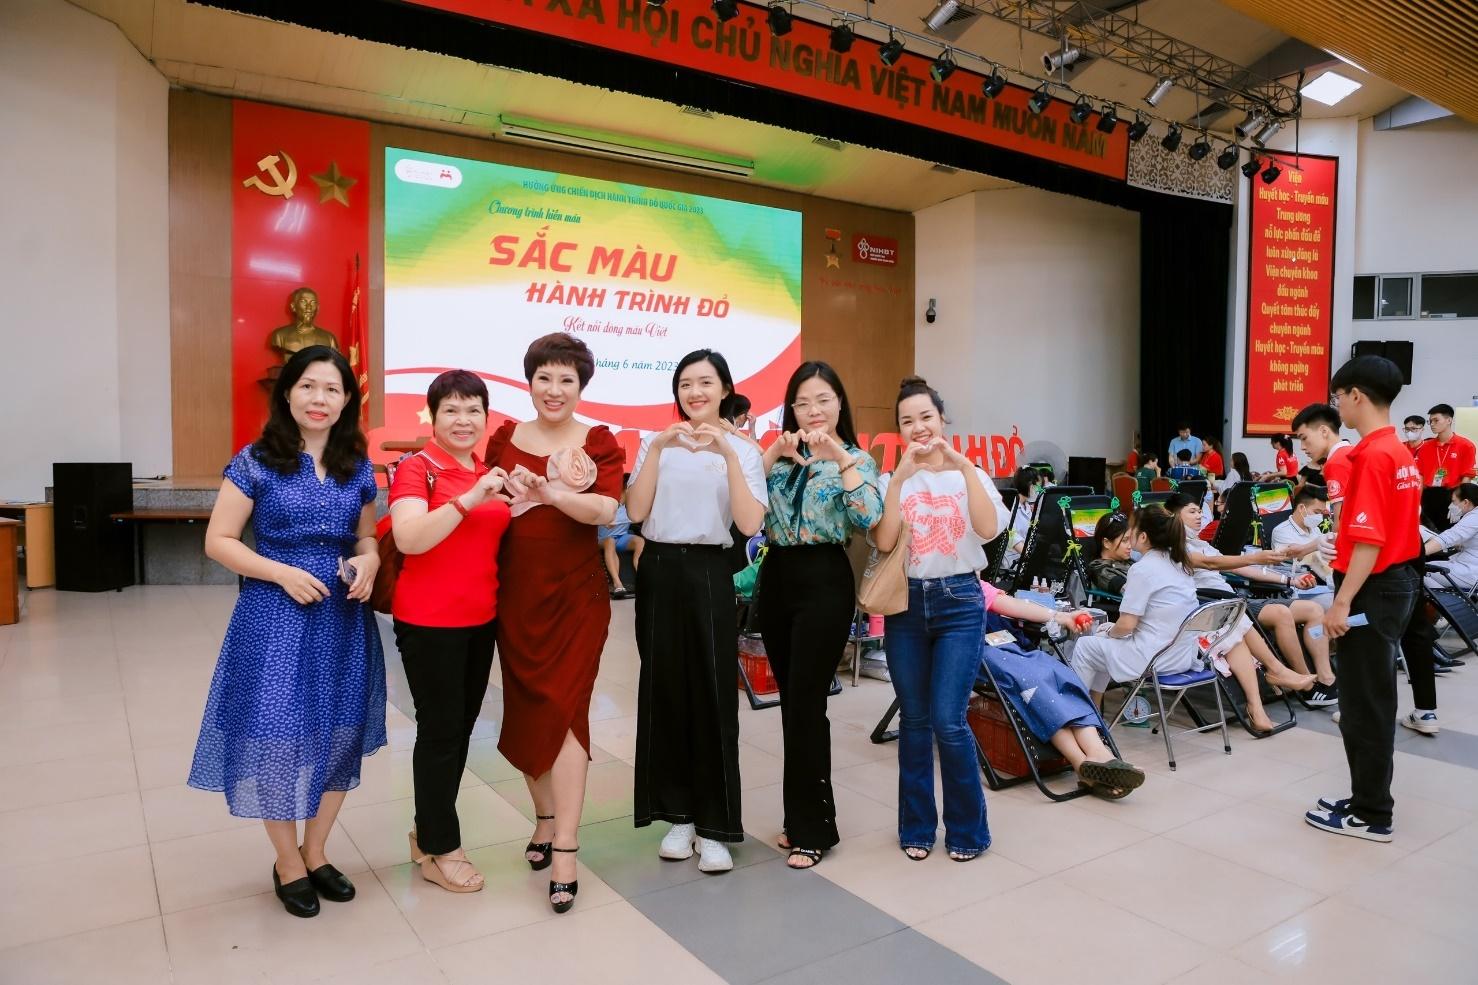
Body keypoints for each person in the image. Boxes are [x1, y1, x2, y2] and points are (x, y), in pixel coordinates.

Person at [189, 345, 386, 919]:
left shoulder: (358, 465)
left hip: (342, 618)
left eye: (332, 389)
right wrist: (279, 573)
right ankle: (287, 862)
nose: (319, 399)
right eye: (308, 386)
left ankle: (316, 850)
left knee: (338, 734)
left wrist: (369, 560)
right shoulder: (257, 460)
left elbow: (365, 538)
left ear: (347, 400)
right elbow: (219, 541)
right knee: (275, 735)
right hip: (274, 618)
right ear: (288, 394)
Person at [483, 334, 625, 913]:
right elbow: (487, 506)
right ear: (529, 381)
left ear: (581, 386)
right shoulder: (502, 438)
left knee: (567, 711)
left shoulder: (597, 442)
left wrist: (551, 493)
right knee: (527, 712)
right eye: (545, 377)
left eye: (567, 379)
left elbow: (606, 510)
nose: (554, 389)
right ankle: (544, 818)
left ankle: (565, 845)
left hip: (576, 597)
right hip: (516, 596)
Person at [626, 349, 767, 874]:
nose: (695, 392)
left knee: (711, 696)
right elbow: (637, 512)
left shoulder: (745, 451)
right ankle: (677, 815)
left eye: (705, 382)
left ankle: (716, 827)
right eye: (685, 383)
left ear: (725, 388)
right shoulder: (653, 443)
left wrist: (728, 454)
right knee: (664, 691)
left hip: (710, 572)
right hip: (659, 570)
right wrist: (660, 447)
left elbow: (750, 525)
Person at [874, 376, 1008, 862]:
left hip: (959, 602)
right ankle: (916, 827)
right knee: (914, 721)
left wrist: (965, 468)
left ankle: (968, 831)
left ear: (942, 419)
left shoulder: (968, 472)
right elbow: (885, 542)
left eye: (925, 417)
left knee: (949, 722)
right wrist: (897, 479)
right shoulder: (895, 477)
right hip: (906, 604)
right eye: (907, 421)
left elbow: (989, 530)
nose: (918, 427)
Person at [389, 370, 513, 895]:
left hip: (479, 620)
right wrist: (469, 499)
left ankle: (427, 830)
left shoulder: (487, 470)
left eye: (473, 411)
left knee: (458, 731)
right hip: (429, 622)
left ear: (486, 417)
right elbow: (411, 538)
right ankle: (442, 848)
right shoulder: (418, 469)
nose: (463, 421)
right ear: (433, 416)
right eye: (452, 411)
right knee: (440, 733)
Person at [757, 361, 882, 869]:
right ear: (792, 409)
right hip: (778, 579)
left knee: (809, 704)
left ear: (839, 405)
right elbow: (741, 509)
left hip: (826, 582)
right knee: (793, 706)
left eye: (823, 399)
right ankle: (798, 820)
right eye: (803, 402)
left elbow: (869, 519)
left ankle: (815, 829)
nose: (813, 409)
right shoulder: (782, 461)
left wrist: (839, 459)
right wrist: (770, 455)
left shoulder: (855, 459)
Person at [1304, 355, 1422, 843]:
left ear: (1356, 396)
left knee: (1367, 704)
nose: (1337, 409)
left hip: (1373, 587)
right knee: (1365, 698)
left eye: (1338, 398)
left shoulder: (1374, 455)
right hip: (1394, 582)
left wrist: (1340, 603)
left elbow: (1370, 541)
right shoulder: (1397, 451)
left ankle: (1373, 813)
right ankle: (1364, 795)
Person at [1163, 493, 1332, 721]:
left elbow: (1237, 568)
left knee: (1313, 610)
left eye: (1199, 511)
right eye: (1192, 512)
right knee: (1281, 613)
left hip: (1234, 598)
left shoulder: (1200, 543)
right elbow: (1216, 563)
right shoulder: (1176, 547)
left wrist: (1288, 580)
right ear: (1173, 516)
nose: (1199, 517)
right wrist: (1255, 558)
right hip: (1215, 603)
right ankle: (1306, 685)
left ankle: (1324, 677)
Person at [977, 583, 1145, 798]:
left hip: (1007, 645)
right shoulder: (942, 581)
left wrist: (1060, 616)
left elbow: (1012, 604)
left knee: (1062, 675)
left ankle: (1098, 753)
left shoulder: (975, 582)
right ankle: (1082, 763)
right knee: (1034, 686)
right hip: (978, 652)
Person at [1423, 482, 1478, 593]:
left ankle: (1454, 604)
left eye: (1453, 502)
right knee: (1427, 566)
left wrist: (1418, 553)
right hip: (1467, 567)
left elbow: (1447, 538)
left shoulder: (1474, 517)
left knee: (1416, 572)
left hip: (1470, 572)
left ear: (1466, 502)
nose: (1450, 506)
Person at [1415, 403, 1477, 488]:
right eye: (1430, 421)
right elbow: (1420, 475)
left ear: (1449, 420)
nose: (1432, 424)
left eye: (1436, 420)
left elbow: (1467, 477)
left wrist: (1459, 498)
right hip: (1428, 493)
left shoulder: (1466, 446)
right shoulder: (1425, 447)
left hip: (1453, 494)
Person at [599, 486, 644, 599]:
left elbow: (639, 518)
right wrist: (605, 522)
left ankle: (643, 579)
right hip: (602, 539)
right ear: (625, 490)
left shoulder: (631, 507)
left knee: (640, 542)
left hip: (622, 537)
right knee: (610, 541)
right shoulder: (607, 502)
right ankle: (617, 584)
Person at [1086, 511, 1132, 597]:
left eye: (1131, 539)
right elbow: (1129, 591)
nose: (1130, 545)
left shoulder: (1128, 561)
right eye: (1125, 540)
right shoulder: (1099, 569)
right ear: (1107, 543)